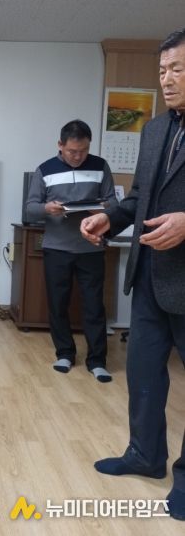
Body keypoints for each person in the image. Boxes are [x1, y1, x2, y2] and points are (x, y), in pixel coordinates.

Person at [80, 27, 185, 522]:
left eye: (178, 69)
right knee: (143, 374)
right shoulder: (155, 130)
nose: (167, 79)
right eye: (162, 70)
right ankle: (145, 454)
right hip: (148, 276)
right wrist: (110, 218)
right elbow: (140, 197)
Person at [26, 119, 117, 381]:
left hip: (91, 247)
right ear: (60, 145)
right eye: (72, 151)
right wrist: (47, 208)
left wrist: (101, 209)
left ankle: (97, 361)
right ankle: (64, 353)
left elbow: (114, 203)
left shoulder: (101, 166)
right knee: (58, 304)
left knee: (94, 306)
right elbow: (30, 208)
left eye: (84, 150)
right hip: (57, 248)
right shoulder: (45, 170)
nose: (78, 156)